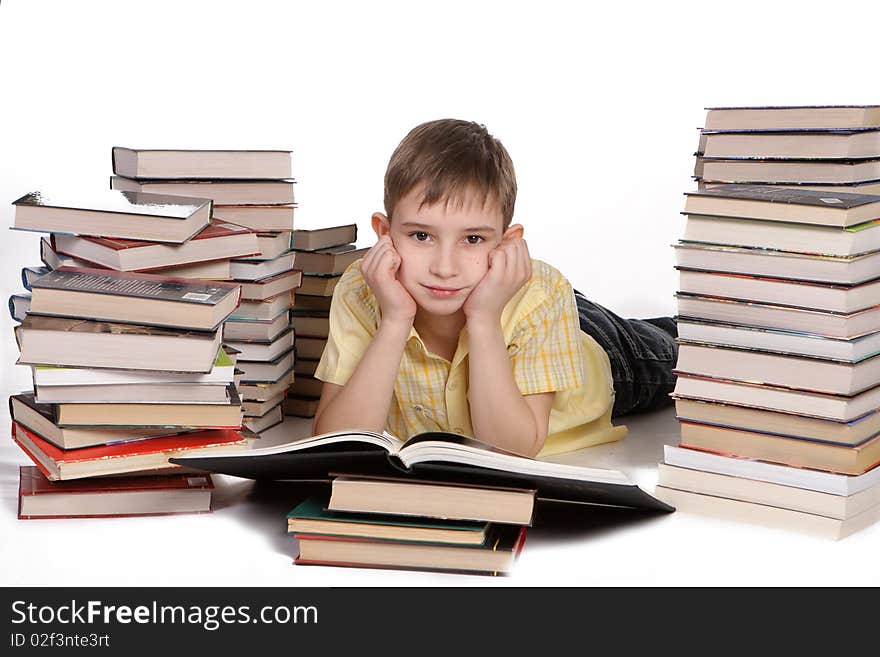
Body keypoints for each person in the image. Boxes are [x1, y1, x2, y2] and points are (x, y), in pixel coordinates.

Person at [312, 119, 677, 457]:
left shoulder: (543, 295)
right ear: (385, 234)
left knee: (683, 353)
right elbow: (335, 442)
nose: (444, 268)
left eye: (472, 238)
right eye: (421, 235)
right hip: (507, 302)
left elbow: (511, 451)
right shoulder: (363, 289)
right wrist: (395, 319)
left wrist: (484, 318)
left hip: (599, 349)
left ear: (506, 242)